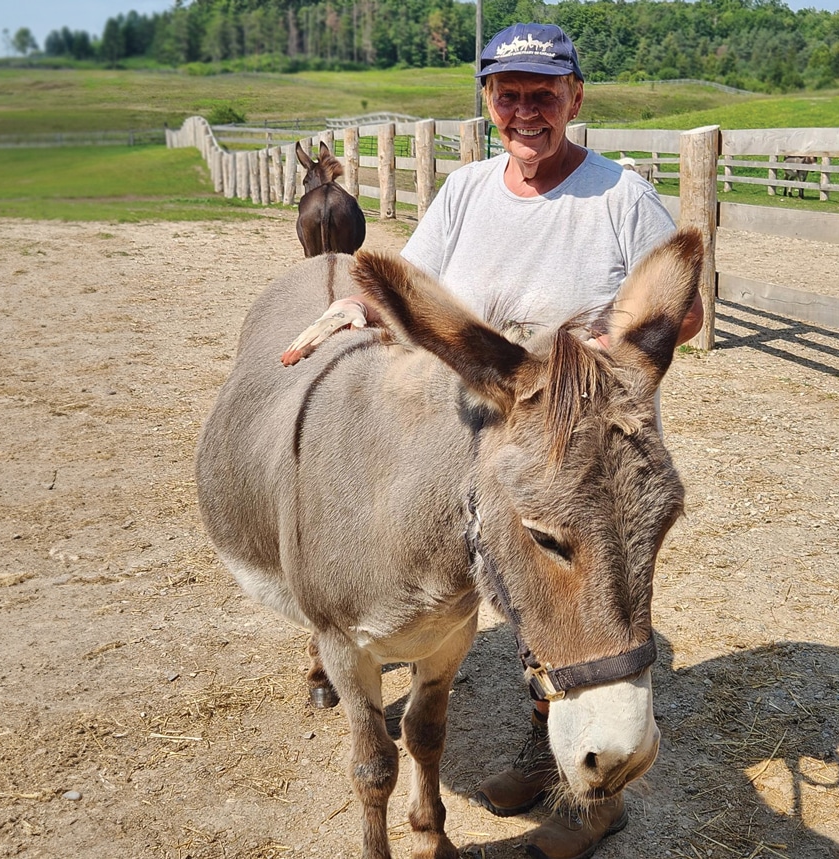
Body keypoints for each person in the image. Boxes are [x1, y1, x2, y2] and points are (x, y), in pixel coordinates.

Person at [281, 21, 704, 859]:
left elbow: (683, 310)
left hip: (579, 449)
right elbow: (422, 277)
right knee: (512, 601)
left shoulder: (621, 196)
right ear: (488, 105)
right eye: (508, 95)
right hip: (483, 431)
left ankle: (593, 803)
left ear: (574, 99)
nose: (525, 111)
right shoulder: (471, 189)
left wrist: (595, 356)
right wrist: (353, 307)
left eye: (542, 93)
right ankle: (548, 754)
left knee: (576, 603)